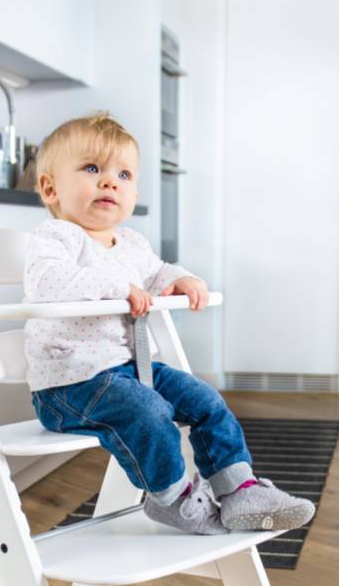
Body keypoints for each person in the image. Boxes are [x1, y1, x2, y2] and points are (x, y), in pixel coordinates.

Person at [24, 111, 315, 536]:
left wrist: (180, 278)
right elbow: (46, 283)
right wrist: (118, 286)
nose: (109, 182)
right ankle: (172, 497)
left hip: (127, 372)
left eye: (123, 174)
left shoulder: (131, 244)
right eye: (92, 169)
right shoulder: (56, 239)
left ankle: (240, 490)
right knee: (149, 410)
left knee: (204, 399)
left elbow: (156, 272)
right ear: (50, 187)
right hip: (70, 385)